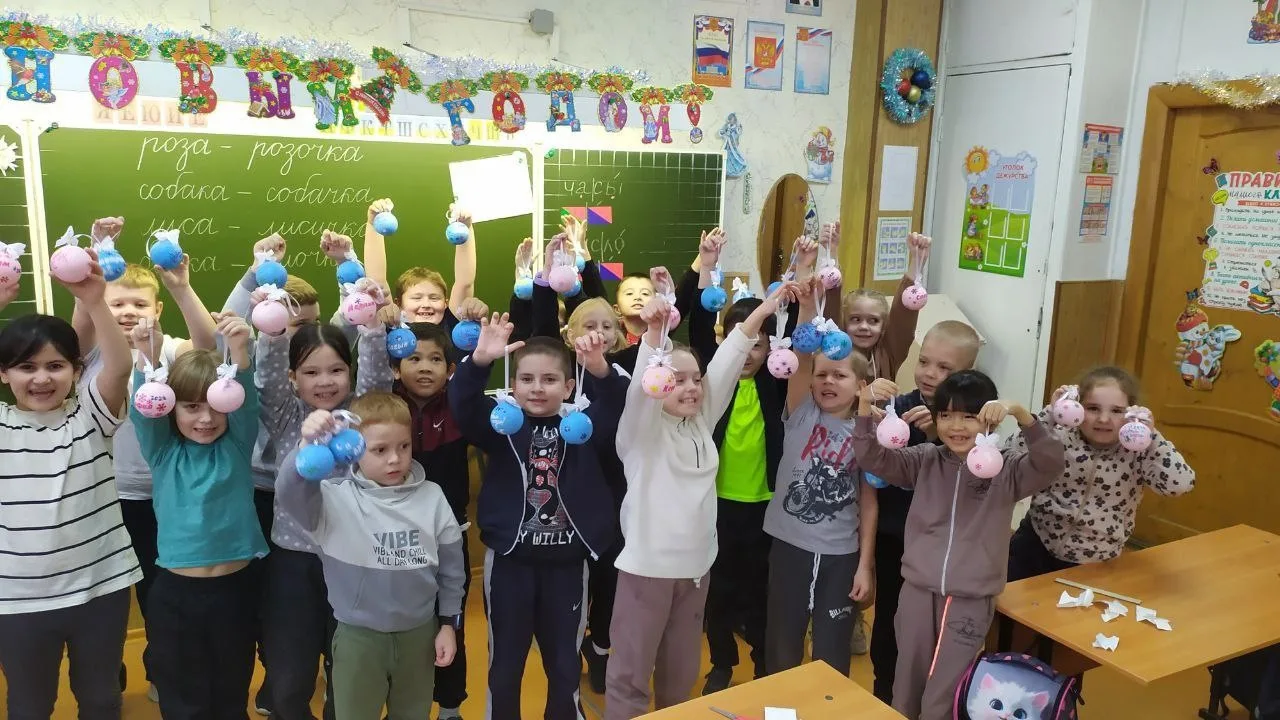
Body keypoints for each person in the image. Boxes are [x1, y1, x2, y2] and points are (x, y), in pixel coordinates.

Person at [606, 280, 799, 720]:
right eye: (677, 381)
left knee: (680, 676)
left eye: (696, 378)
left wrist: (763, 311)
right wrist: (655, 335)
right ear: (658, 382)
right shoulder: (640, 434)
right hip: (647, 575)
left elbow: (728, 362)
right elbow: (640, 392)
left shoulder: (701, 422)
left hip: (696, 574)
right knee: (631, 677)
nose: (692, 387)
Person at [852, 370, 1064, 720]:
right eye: (946, 415)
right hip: (918, 591)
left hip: (971, 598)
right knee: (907, 679)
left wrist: (1021, 414)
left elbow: (1050, 462)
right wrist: (863, 409)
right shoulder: (926, 459)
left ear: (989, 418)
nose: (956, 426)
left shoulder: (1006, 470)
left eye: (968, 416)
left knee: (946, 687)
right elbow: (873, 458)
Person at [448, 315, 625, 720]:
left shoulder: (582, 425)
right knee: (505, 664)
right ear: (513, 385)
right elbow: (462, 404)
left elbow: (617, 401)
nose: (537, 388)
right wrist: (479, 361)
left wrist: (599, 367)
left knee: (564, 664)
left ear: (569, 387)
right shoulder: (503, 425)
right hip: (510, 565)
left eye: (549, 380)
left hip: (567, 565)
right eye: (527, 379)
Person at [72, 217, 218, 704]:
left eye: (139, 304)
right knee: (107, 595)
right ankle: (105, 678)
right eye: (117, 304)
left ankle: (162, 671)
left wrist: (181, 289)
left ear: (156, 308)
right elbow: (78, 331)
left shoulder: (171, 349)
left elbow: (209, 347)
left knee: (160, 593)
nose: (128, 312)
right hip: (106, 496)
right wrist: (92, 267)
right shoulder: (94, 356)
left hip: (165, 498)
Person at [0, 253, 141, 720]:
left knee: (101, 698)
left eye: (56, 365)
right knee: (29, 704)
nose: (42, 378)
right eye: (26, 367)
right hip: (17, 598)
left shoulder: (89, 417)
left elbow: (119, 368)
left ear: (76, 371)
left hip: (100, 589)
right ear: (4, 373)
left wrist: (97, 302)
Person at [277, 393, 467, 720]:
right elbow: (289, 493)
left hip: (419, 635)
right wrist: (306, 447)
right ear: (353, 450)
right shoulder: (333, 500)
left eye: (404, 446)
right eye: (379, 450)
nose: (395, 459)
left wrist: (449, 625)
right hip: (358, 639)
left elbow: (452, 571)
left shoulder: (433, 497)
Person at [130, 313, 267, 720]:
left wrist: (240, 355)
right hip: (176, 595)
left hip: (236, 592)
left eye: (216, 407)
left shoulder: (237, 445)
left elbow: (246, 404)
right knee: (182, 697)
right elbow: (144, 411)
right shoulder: (162, 451)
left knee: (231, 691)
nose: (205, 418)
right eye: (191, 407)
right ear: (172, 408)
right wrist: (146, 357)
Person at [687, 231, 787, 693]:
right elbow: (697, 326)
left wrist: (803, 276)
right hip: (718, 503)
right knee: (719, 590)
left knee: (761, 589)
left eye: (758, 345)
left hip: (765, 505)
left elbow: (793, 332)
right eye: (738, 342)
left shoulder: (776, 381)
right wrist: (706, 267)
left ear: (772, 349)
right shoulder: (715, 381)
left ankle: (764, 660)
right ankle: (722, 662)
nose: (747, 353)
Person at [763, 276, 876, 678]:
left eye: (840, 375)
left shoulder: (868, 431)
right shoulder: (801, 412)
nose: (828, 381)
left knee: (831, 654)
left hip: (840, 556)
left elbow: (868, 503)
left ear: (861, 386)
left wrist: (865, 565)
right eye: (822, 374)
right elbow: (802, 354)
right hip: (790, 548)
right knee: (782, 647)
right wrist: (810, 307)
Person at [870, 320, 981, 704]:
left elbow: (978, 479)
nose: (930, 373)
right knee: (889, 622)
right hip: (894, 538)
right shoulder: (897, 407)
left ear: (967, 372)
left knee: (939, 633)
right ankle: (885, 695)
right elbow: (873, 464)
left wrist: (940, 434)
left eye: (944, 367)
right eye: (924, 361)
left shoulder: (974, 422)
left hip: (945, 550)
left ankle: (936, 702)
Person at [1007, 366, 1195, 580]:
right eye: (1093, 408)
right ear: (1078, 407)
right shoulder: (1059, 436)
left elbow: (1180, 484)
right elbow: (1011, 454)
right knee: (1008, 596)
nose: (1104, 419)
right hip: (1035, 541)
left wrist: (1151, 438)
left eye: (1116, 411)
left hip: (1095, 560)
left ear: (1131, 415)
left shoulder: (1139, 452)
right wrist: (1050, 414)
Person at [389, 322, 473, 718]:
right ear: (395, 367)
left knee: (450, 620)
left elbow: (476, 373)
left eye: (435, 359)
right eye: (414, 358)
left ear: (450, 369)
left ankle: (450, 706)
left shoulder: (459, 406)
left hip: (449, 537)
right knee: (402, 626)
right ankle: (403, 702)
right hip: (395, 538)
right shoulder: (386, 404)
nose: (425, 367)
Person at [362, 198, 476, 330]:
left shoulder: (452, 325)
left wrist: (465, 227)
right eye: (416, 298)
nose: (426, 304)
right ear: (398, 304)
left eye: (434, 298)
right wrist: (373, 223)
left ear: (446, 304)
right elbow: (377, 283)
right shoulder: (392, 323)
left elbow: (464, 283)